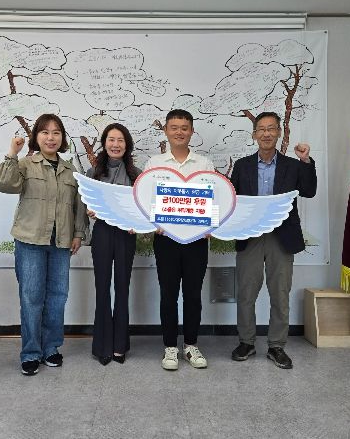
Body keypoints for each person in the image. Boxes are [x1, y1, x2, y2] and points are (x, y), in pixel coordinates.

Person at [0, 113, 86, 376]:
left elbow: (79, 206)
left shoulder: (70, 170)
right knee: (31, 297)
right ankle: (31, 352)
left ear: (62, 138)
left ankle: (51, 348)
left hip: (61, 242)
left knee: (57, 297)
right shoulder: (25, 164)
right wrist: (12, 152)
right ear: (36, 136)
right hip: (30, 241)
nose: (51, 137)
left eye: (56, 132)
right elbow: (2, 183)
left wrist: (78, 234)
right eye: (45, 132)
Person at [230, 111, 317, 369]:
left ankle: (277, 345)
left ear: (279, 132)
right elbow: (233, 200)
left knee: (279, 292)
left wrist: (306, 161)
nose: (266, 133)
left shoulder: (293, 165)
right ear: (254, 134)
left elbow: (309, 191)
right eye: (261, 129)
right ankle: (246, 342)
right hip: (251, 235)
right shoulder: (243, 165)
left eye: (271, 128)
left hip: (282, 236)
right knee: (246, 292)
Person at [143, 109, 215, 371]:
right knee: (168, 294)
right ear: (166, 131)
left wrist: (209, 224)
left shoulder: (204, 164)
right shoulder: (154, 163)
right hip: (166, 240)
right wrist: (154, 223)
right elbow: (146, 199)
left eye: (184, 128)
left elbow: (213, 198)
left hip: (197, 240)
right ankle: (170, 347)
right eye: (174, 127)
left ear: (192, 131)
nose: (179, 132)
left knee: (193, 295)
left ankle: (191, 345)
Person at [86, 123, 142, 366]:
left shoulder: (137, 174)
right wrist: (89, 211)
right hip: (102, 233)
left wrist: (137, 223)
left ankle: (120, 345)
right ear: (104, 143)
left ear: (127, 145)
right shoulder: (93, 172)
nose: (115, 144)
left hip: (126, 235)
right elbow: (85, 204)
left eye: (120, 140)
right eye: (111, 139)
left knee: (122, 287)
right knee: (102, 288)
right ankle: (102, 346)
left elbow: (142, 207)